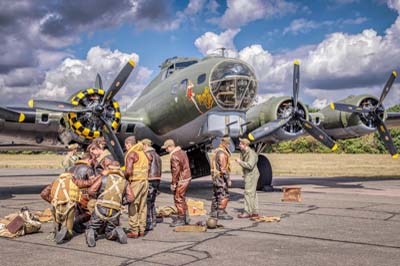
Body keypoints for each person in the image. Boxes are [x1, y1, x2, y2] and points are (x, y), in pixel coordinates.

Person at [40, 172, 99, 244]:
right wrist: (99, 177)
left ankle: (56, 232)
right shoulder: (73, 180)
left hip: (56, 206)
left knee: (57, 223)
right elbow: (88, 183)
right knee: (69, 230)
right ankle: (67, 233)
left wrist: (52, 201)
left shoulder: (55, 182)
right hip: (69, 206)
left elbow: (43, 194)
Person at [85, 160, 134, 247]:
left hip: (100, 208)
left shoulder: (103, 178)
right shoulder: (125, 182)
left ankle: (91, 232)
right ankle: (116, 231)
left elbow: (91, 191)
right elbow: (131, 198)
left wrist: (97, 196)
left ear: (109, 169)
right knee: (109, 232)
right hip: (115, 211)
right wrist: (121, 202)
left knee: (92, 226)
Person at [162, 139, 191, 227]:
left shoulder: (174, 156)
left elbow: (176, 171)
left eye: (166, 149)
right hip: (187, 177)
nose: (166, 151)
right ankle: (185, 217)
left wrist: (173, 183)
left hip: (181, 179)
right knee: (182, 197)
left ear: (170, 147)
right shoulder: (182, 152)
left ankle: (181, 218)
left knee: (178, 198)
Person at [124, 136, 149, 238]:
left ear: (129, 144)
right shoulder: (143, 153)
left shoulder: (132, 154)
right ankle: (142, 229)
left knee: (133, 204)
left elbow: (129, 171)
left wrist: (124, 177)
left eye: (126, 145)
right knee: (143, 206)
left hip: (136, 182)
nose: (125, 147)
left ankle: (134, 230)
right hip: (145, 181)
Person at [67, 153, 96, 233]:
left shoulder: (70, 168)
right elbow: (93, 183)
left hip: (70, 194)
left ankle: (76, 224)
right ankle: (75, 222)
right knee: (91, 212)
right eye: (92, 160)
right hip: (83, 195)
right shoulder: (88, 169)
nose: (92, 162)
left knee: (75, 211)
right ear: (88, 159)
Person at [235, 138, 260, 218]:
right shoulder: (244, 152)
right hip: (249, 175)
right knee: (252, 194)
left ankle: (247, 212)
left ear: (245, 145)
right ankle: (254, 211)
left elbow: (250, 165)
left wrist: (240, 162)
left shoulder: (251, 153)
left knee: (248, 193)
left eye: (240, 144)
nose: (239, 145)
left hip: (251, 175)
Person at [210, 137, 233, 220]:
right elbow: (223, 169)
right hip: (221, 177)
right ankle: (221, 211)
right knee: (223, 194)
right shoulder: (222, 154)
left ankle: (214, 211)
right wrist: (228, 179)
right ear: (225, 144)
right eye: (228, 144)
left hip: (216, 177)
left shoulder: (217, 151)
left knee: (216, 194)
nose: (229, 145)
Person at [142, 138, 162, 231]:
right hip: (157, 179)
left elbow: (147, 166)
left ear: (145, 145)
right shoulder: (157, 155)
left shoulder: (147, 154)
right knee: (152, 201)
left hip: (150, 178)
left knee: (148, 202)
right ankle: (153, 220)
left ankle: (148, 222)